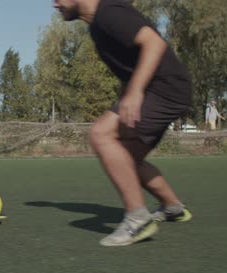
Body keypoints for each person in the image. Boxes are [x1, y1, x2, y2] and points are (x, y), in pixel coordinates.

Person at [53, 0, 193, 246]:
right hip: (166, 90)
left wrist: (136, 92)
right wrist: (127, 96)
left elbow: (154, 43)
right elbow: (130, 68)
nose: (54, 4)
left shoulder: (109, 13)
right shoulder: (97, 26)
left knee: (100, 134)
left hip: (164, 89)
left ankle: (138, 220)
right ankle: (173, 208)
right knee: (126, 158)